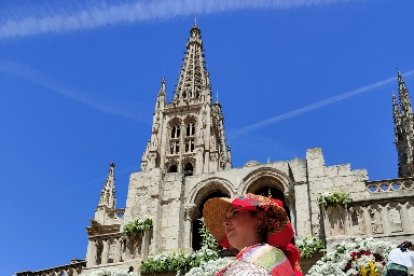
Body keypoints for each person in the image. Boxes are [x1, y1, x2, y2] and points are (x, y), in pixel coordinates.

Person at [203, 193, 302, 276]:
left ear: (259, 218)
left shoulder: (262, 257)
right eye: (225, 218)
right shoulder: (269, 256)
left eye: (235, 213)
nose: (225, 222)